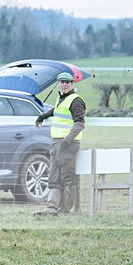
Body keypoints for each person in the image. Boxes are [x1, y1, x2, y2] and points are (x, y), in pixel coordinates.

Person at [33, 72, 86, 215]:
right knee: (54, 176)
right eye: (62, 82)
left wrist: (67, 141)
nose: (64, 84)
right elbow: (56, 111)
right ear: (58, 83)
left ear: (72, 84)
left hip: (68, 144)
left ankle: (64, 210)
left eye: (67, 82)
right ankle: (51, 208)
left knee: (67, 177)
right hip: (56, 143)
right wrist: (43, 116)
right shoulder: (61, 99)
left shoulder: (76, 101)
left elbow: (80, 123)